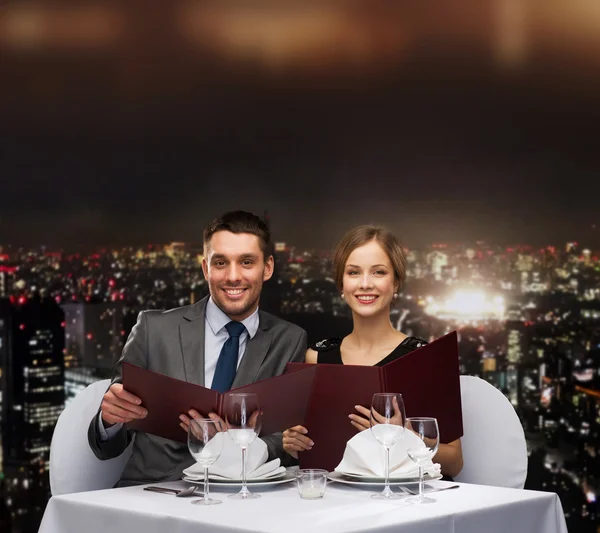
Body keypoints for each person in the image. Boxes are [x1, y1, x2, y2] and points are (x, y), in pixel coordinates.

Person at [88, 210, 307, 486]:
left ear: (268, 268)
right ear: (206, 269)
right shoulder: (153, 329)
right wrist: (109, 420)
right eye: (220, 263)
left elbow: (284, 442)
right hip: (153, 498)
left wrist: (236, 444)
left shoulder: (290, 340)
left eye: (247, 262)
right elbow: (106, 446)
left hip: (241, 501)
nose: (233, 276)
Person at [282, 225, 463, 478]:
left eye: (378, 272)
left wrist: (401, 436)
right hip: (336, 500)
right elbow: (316, 451)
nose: (365, 284)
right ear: (341, 285)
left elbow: (454, 462)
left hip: (406, 503)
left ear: (396, 282)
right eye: (354, 273)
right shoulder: (317, 357)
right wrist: (294, 443)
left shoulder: (426, 358)